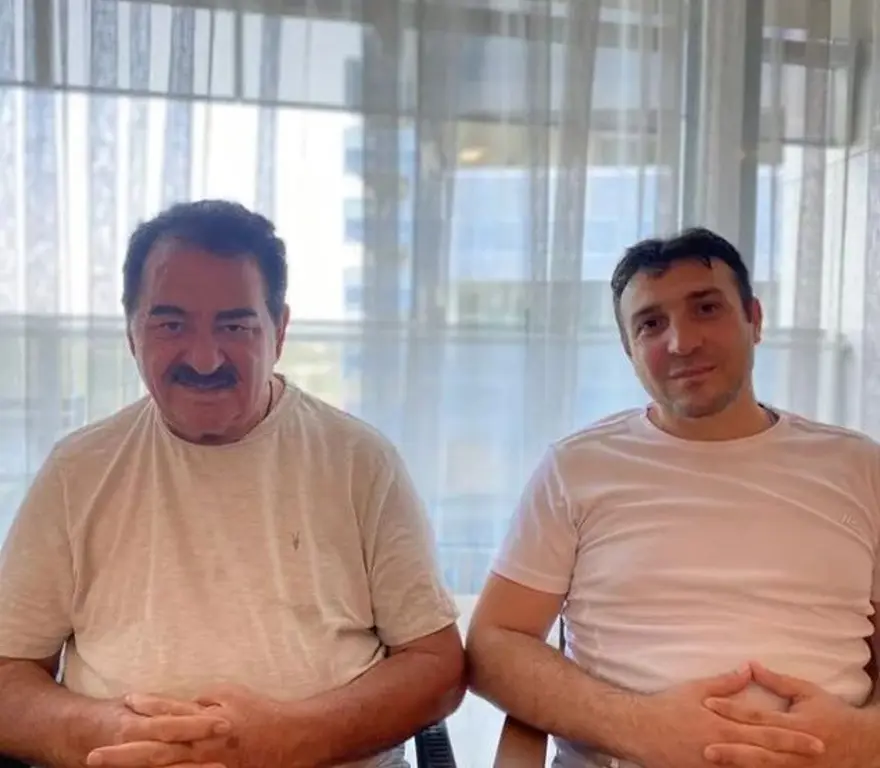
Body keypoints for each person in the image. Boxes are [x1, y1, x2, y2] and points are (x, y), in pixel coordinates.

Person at [0, 200, 465, 768]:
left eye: (235, 326)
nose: (203, 358)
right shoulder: (77, 470)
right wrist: (103, 733)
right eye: (170, 324)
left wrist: (291, 739)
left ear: (279, 331)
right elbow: (8, 673)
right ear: (131, 332)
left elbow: (436, 665)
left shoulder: (360, 462)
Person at [466, 227, 880, 768]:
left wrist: (864, 737)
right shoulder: (577, 468)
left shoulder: (858, 466)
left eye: (706, 308)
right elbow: (494, 644)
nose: (682, 342)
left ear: (754, 319)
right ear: (629, 349)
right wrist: (638, 727)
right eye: (650, 324)